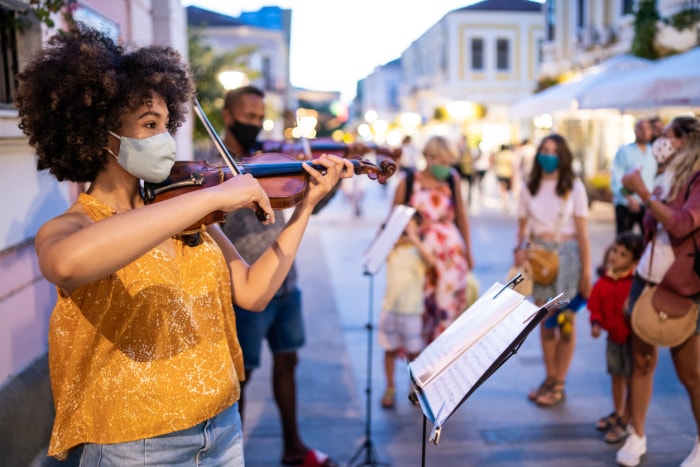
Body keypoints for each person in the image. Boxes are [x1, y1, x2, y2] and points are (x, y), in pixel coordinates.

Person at [15, 25, 353, 465]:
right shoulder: (72, 226)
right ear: (101, 135)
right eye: (149, 125)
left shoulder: (185, 211)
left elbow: (252, 291)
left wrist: (305, 207)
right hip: (134, 447)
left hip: (221, 430)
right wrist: (213, 196)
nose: (166, 139)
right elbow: (65, 264)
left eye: (166, 124)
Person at [217, 85, 341, 467]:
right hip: (246, 283)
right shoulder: (212, 165)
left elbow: (306, 207)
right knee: (242, 377)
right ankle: (228, 455)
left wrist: (325, 188)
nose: (254, 124)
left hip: (285, 279)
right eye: (248, 117)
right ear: (228, 116)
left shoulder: (265, 161)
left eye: (259, 118)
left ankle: (292, 446)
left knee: (288, 362)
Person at [615, 115, 700, 467]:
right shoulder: (667, 175)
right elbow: (652, 226)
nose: (658, 142)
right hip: (646, 280)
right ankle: (636, 434)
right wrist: (649, 195)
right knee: (640, 360)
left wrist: (645, 194)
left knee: (690, 371)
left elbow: (681, 225)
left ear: (685, 141)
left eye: (665, 136)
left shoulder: (697, 180)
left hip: (680, 286)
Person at [513, 134, 592, 407]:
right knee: (545, 320)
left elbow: (583, 233)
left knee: (566, 322)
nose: (548, 155)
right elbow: (521, 228)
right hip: (539, 259)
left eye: (554, 151)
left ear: (563, 156)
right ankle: (549, 377)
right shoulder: (529, 187)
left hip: (568, 256)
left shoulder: (574, 187)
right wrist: (519, 251)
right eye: (544, 150)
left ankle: (559, 382)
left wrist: (586, 271)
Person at [391, 135, 474, 343]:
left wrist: (469, 251)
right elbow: (394, 219)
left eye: (449, 162)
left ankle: (445, 357)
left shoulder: (451, 179)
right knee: (422, 309)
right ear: (428, 157)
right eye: (442, 162)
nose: (446, 167)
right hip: (420, 255)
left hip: (450, 255)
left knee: (449, 307)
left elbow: (462, 216)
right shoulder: (409, 182)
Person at [588, 232, 644, 444]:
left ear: (634, 261)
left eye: (622, 254)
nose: (615, 256)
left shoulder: (635, 284)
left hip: (631, 340)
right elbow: (594, 306)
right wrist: (595, 323)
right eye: (615, 251)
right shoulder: (603, 281)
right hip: (613, 339)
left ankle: (628, 418)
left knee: (631, 379)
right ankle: (618, 412)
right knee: (616, 376)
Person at [378, 212, 435, 409]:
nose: (405, 229)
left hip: (411, 309)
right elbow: (377, 252)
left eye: (410, 225)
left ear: (418, 227)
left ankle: (414, 387)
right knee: (389, 349)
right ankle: (390, 387)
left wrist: (414, 240)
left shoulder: (420, 249)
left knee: (413, 352)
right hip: (390, 307)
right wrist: (390, 233)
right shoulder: (393, 249)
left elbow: (431, 263)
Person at [610, 119, 657, 236]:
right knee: (624, 242)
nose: (645, 132)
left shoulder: (654, 151)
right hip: (626, 204)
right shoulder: (625, 151)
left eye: (648, 129)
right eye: (641, 129)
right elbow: (617, 179)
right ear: (635, 131)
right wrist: (630, 199)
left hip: (646, 205)